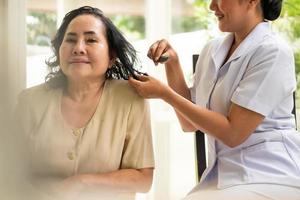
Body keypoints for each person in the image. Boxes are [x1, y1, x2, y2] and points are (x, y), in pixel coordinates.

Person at [129, 0, 300, 199]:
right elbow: (189, 123)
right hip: (221, 178)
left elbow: (233, 134)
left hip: (270, 175)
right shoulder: (212, 49)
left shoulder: (273, 52)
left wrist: (165, 94)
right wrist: (172, 63)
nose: (212, 6)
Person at [14, 6, 154, 200]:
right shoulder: (29, 102)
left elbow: (143, 179)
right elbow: (13, 173)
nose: (78, 48)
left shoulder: (130, 99)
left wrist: (82, 182)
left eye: (91, 40)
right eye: (70, 40)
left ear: (111, 56)